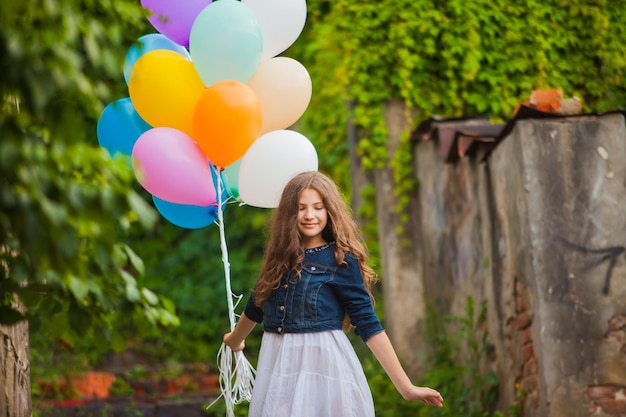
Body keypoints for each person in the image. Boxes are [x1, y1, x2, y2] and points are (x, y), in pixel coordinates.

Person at [223, 171, 443, 416]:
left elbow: (368, 323)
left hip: (323, 369)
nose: (309, 215)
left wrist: (406, 387)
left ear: (329, 211)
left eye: (318, 207)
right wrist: (234, 339)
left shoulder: (341, 260)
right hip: (278, 368)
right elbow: (257, 304)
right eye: (301, 208)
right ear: (288, 214)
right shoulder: (279, 258)